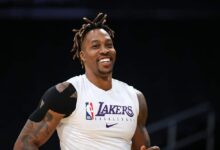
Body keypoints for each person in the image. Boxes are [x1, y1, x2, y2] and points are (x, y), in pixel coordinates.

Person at [13, 12, 160, 150]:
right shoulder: (66, 93)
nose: (104, 50)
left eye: (109, 45)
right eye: (95, 46)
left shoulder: (135, 97)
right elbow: (24, 144)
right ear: (82, 55)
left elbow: (141, 147)